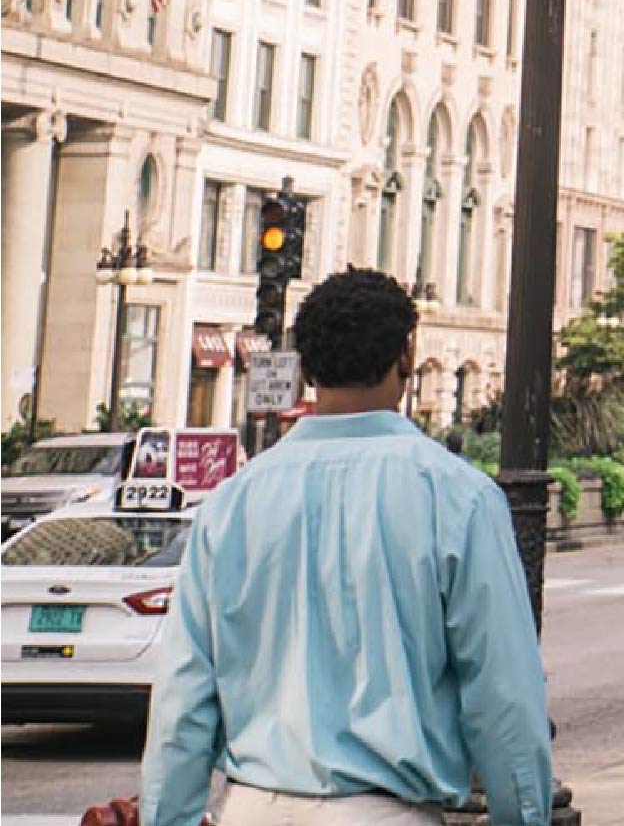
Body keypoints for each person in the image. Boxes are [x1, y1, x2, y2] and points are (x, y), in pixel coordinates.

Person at [140, 268, 553, 826]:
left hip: (251, 805)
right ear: (406, 358)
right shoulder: (458, 498)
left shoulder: (232, 503)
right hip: (388, 809)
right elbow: (504, 696)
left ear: (306, 368)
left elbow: (182, 698)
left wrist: (169, 817)